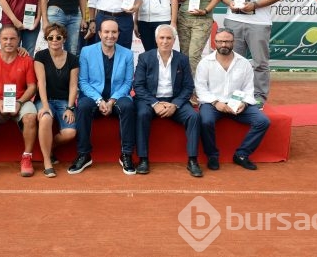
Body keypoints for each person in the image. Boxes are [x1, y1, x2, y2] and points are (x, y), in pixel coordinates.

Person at [222, 0, 285, 107]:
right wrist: (231, 3)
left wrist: (255, 5)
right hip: (233, 20)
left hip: (259, 22)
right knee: (234, 62)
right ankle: (235, 96)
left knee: (260, 63)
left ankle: (259, 98)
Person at [196, 27, 271, 171]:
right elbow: (200, 89)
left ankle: (242, 154)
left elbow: (249, 88)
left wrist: (243, 103)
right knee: (205, 121)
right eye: (220, 41)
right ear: (215, 42)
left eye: (227, 41)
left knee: (263, 121)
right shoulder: (205, 63)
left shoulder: (244, 63)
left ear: (233, 42)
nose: (224, 44)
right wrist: (216, 102)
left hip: (237, 104)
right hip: (212, 104)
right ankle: (212, 155)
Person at [68, 19, 136, 175]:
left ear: (118, 34)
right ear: (99, 33)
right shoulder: (86, 52)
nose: (110, 36)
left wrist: (112, 100)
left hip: (118, 96)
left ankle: (126, 154)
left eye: (114, 32)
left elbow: (127, 83)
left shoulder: (127, 54)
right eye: (106, 32)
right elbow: (83, 82)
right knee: (83, 106)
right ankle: (84, 154)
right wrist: (99, 100)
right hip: (93, 96)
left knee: (128, 106)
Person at [133, 25, 202, 177]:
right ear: (156, 40)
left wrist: (175, 104)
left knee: (194, 116)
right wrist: (155, 103)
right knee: (141, 114)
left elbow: (188, 86)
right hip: (150, 100)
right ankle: (143, 159)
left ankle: (192, 160)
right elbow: (138, 86)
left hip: (174, 100)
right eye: (162, 38)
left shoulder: (182, 59)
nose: (165, 41)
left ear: (174, 40)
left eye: (169, 38)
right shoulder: (145, 57)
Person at [0, 26, 38, 178]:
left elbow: (32, 87)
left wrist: (20, 101)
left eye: (12, 39)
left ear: (19, 40)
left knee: (31, 117)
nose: (9, 42)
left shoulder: (27, 59)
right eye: (5, 39)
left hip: (21, 100)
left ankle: (27, 157)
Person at [34, 23, 78, 177]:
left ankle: (49, 147)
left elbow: (73, 86)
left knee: (70, 132)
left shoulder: (72, 59)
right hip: (45, 99)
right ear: (46, 39)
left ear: (64, 39)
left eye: (58, 37)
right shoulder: (40, 56)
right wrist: (45, 105)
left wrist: (70, 107)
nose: (54, 40)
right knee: (45, 119)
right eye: (50, 37)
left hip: (64, 101)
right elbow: (41, 83)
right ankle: (47, 160)